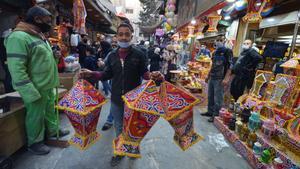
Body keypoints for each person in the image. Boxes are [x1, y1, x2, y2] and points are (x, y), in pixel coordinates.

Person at [79, 21, 164, 166]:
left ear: (131, 36)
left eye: (127, 34)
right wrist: (91, 73)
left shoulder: (139, 54)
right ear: (116, 37)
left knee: (133, 125)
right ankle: (120, 151)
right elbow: (106, 75)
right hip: (117, 99)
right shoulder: (112, 56)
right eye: (120, 34)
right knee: (118, 126)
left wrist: (154, 76)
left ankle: (132, 147)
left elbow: (144, 74)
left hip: (134, 99)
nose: (124, 37)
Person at [4, 6, 69, 155]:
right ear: (37, 19)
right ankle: (35, 142)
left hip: (46, 85)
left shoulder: (38, 35)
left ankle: (52, 131)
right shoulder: (18, 37)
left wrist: (55, 56)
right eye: (48, 20)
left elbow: (39, 59)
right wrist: (28, 90)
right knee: (35, 115)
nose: (50, 24)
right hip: (34, 87)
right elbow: (16, 69)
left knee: (49, 110)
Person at [201, 36, 233, 123]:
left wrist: (226, 78)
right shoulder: (215, 52)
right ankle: (210, 111)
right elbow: (213, 65)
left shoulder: (228, 51)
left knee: (218, 98)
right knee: (210, 95)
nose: (218, 42)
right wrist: (208, 76)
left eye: (220, 40)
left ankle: (216, 115)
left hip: (220, 78)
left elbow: (230, 65)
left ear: (224, 41)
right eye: (217, 40)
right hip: (212, 76)